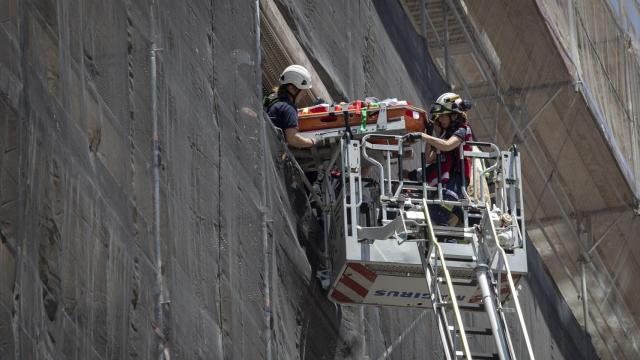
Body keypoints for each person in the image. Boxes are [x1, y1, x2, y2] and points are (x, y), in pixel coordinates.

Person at [405, 92, 474, 226]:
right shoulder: (445, 134)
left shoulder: (462, 130)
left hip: (456, 182)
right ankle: (461, 223)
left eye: (443, 116)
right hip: (447, 185)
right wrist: (431, 134)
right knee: (435, 209)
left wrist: (422, 136)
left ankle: (449, 238)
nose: (440, 119)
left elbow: (448, 146)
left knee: (437, 210)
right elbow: (429, 159)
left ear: (454, 115)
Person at [263, 65, 315, 149]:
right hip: (270, 150)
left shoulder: (271, 97)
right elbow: (293, 139)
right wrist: (312, 142)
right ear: (291, 88)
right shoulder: (289, 108)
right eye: (303, 90)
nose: (304, 94)